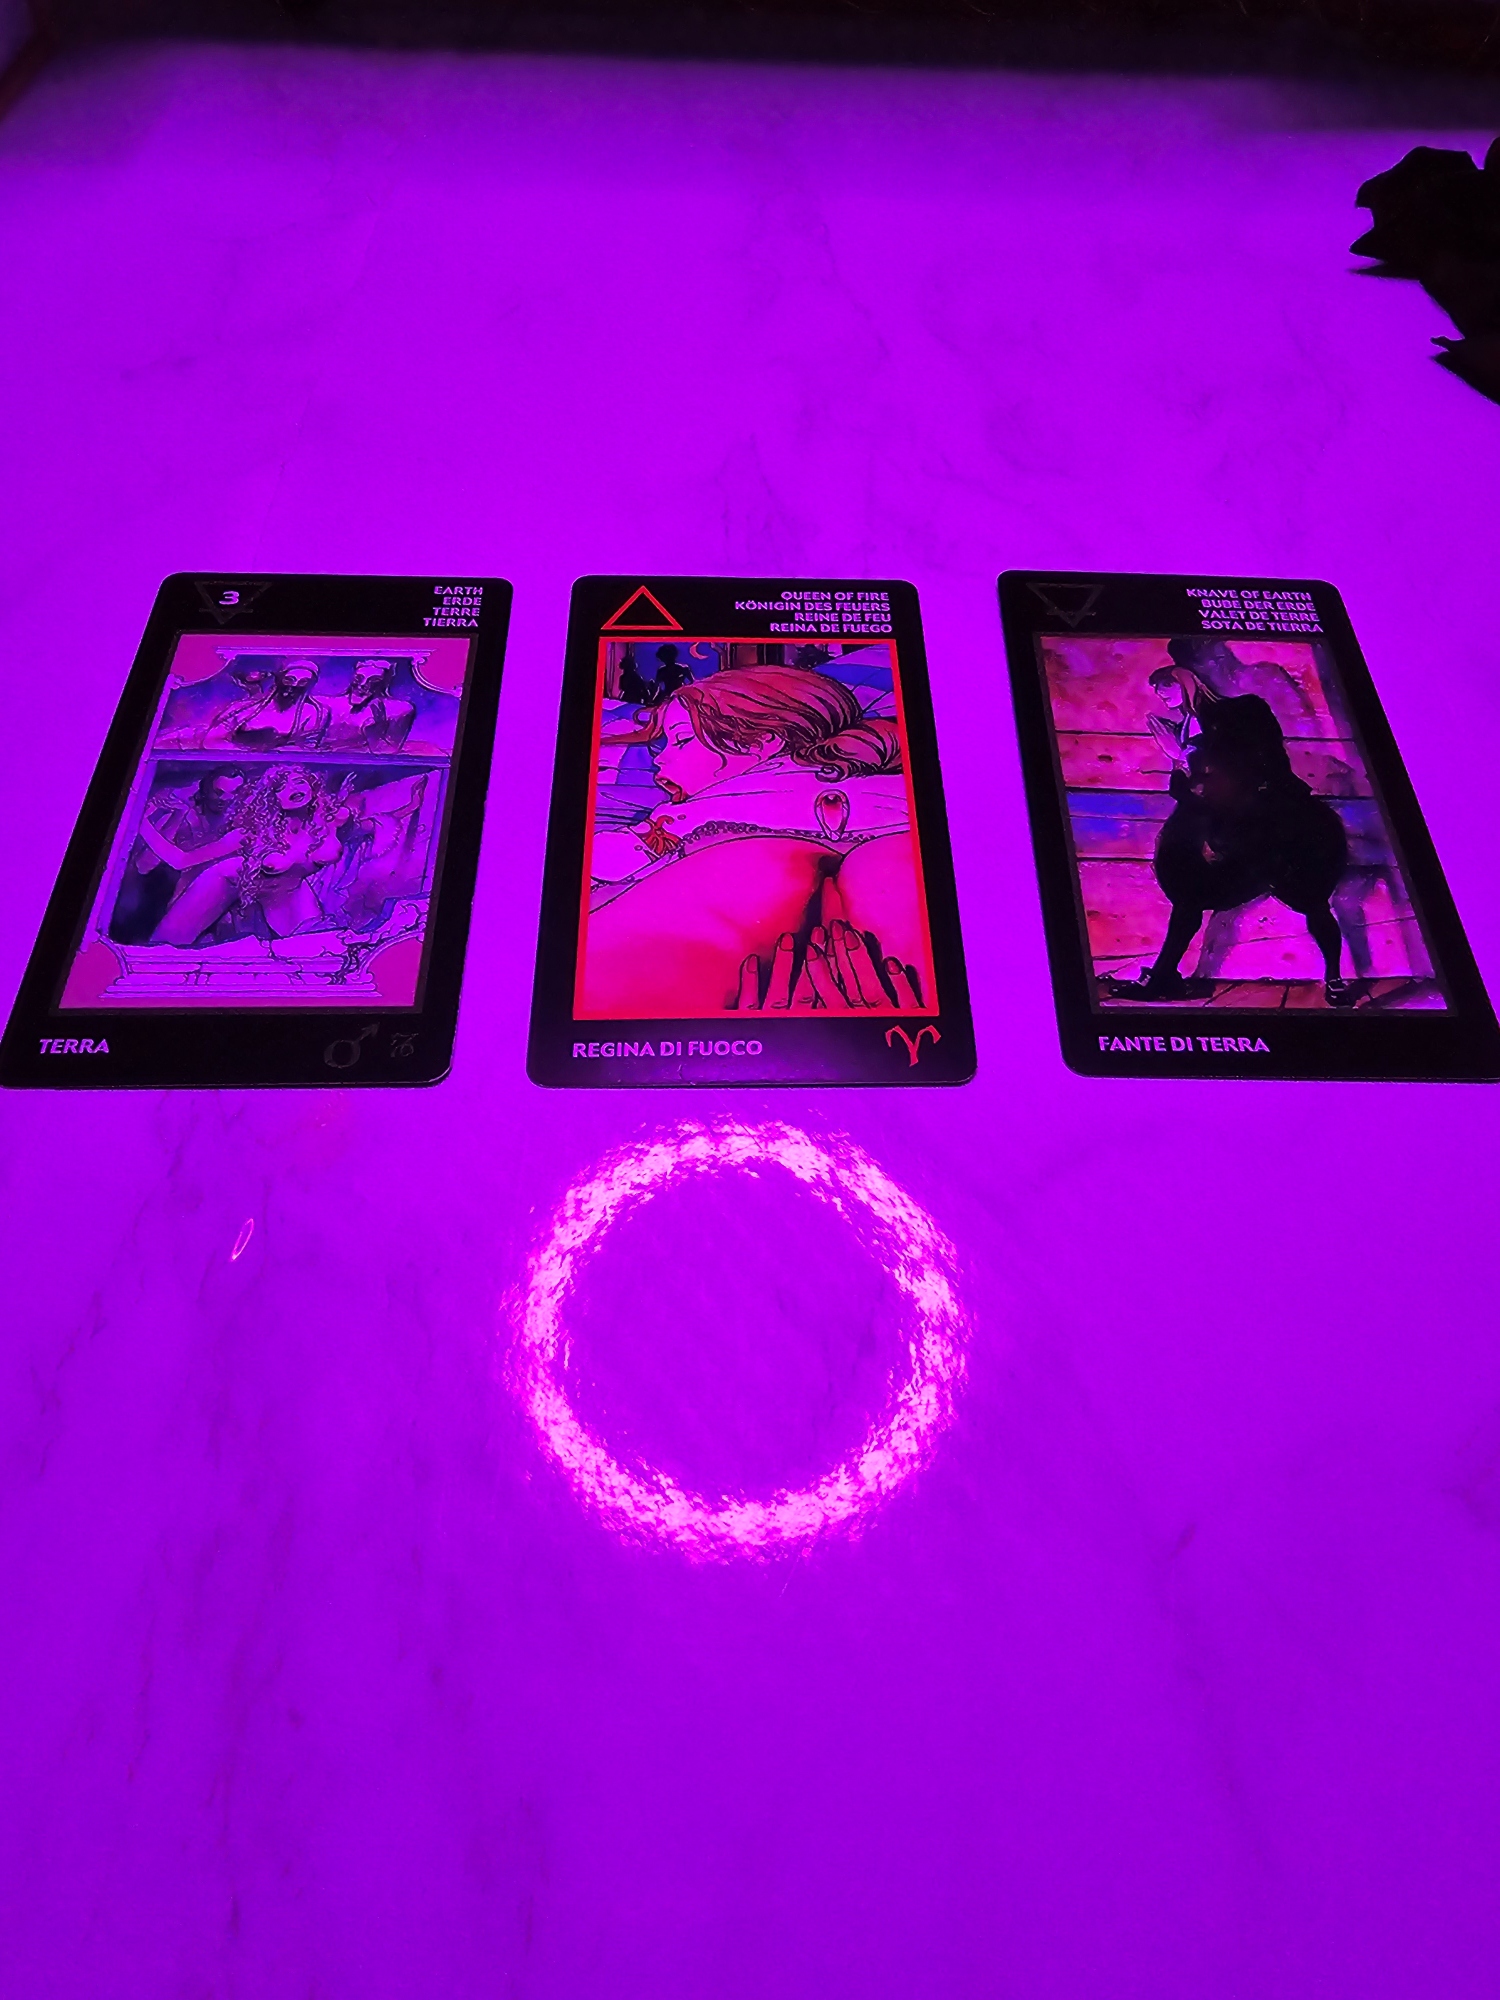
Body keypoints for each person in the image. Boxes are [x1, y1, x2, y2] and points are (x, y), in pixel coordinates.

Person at [581, 664, 927, 1016]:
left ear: (763, 743)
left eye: (682, 740)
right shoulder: (883, 796)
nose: (661, 759)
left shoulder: (693, 816)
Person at [1111, 670, 1353, 1006]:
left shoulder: (1240, 710)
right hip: (1219, 824)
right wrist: (1180, 759)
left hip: (1266, 821)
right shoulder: (1186, 726)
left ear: (1187, 681)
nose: (1161, 694)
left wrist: (1184, 755)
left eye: (1166, 685)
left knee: (1311, 899)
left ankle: (1335, 978)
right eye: (1157, 689)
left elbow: (1252, 763)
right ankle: (1163, 975)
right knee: (1188, 896)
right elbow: (1184, 786)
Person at [146, 766, 354, 944]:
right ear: (271, 800)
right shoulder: (252, 833)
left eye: (299, 781)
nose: (293, 789)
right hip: (226, 880)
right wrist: (141, 824)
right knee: (165, 947)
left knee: (319, 951)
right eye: (280, 787)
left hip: (289, 894)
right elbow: (181, 860)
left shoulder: (332, 819)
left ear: (312, 787)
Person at [110, 767, 247, 943]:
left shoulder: (242, 832)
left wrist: (139, 821)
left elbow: (181, 861)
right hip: (169, 910)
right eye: (219, 792)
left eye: (235, 793)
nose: (226, 799)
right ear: (207, 790)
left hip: (217, 918)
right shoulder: (190, 817)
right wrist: (178, 815)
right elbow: (144, 864)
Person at [201, 658, 330, 751]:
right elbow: (211, 740)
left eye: (302, 682)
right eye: (289, 680)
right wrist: (245, 753)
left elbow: (307, 749)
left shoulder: (315, 713)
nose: (293, 686)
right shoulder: (242, 708)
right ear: (279, 680)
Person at [322, 659, 416, 753]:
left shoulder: (400, 709)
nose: (363, 684)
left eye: (374, 680)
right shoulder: (325, 704)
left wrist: (374, 733)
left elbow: (387, 752)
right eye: (359, 678)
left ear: (384, 684)